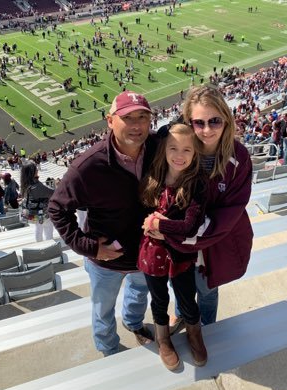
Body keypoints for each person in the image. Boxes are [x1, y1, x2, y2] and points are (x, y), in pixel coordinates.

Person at [48, 91, 158, 357]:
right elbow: (57, 208)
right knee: (103, 309)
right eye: (127, 117)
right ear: (110, 121)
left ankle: (133, 324)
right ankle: (108, 348)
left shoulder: (159, 148)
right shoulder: (87, 166)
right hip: (106, 260)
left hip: (145, 253)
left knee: (139, 295)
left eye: (143, 117)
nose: (136, 125)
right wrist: (88, 247)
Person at [159, 86, 253, 330]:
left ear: (226, 118)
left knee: (208, 291)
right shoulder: (179, 151)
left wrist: (176, 233)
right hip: (179, 242)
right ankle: (182, 319)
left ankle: (208, 329)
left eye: (215, 121)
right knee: (180, 288)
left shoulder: (239, 156)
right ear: (188, 123)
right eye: (199, 123)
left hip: (213, 243)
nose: (207, 130)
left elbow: (229, 212)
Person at [138, 123, 207, 370]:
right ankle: (163, 338)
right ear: (163, 149)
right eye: (173, 148)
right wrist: (154, 223)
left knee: (187, 298)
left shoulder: (197, 183)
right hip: (152, 254)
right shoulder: (153, 177)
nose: (179, 155)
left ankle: (194, 334)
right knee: (158, 299)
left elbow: (189, 226)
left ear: (195, 152)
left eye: (187, 150)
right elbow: (142, 216)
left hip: (180, 255)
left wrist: (159, 224)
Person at [20, 161, 54, 242]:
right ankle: (49, 245)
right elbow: (52, 193)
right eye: (36, 169)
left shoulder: (25, 184)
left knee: (38, 228)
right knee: (48, 228)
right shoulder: (36, 186)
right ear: (32, 172)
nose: (37, 170)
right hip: (42, 214)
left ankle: (39, 244)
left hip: (33, 214)